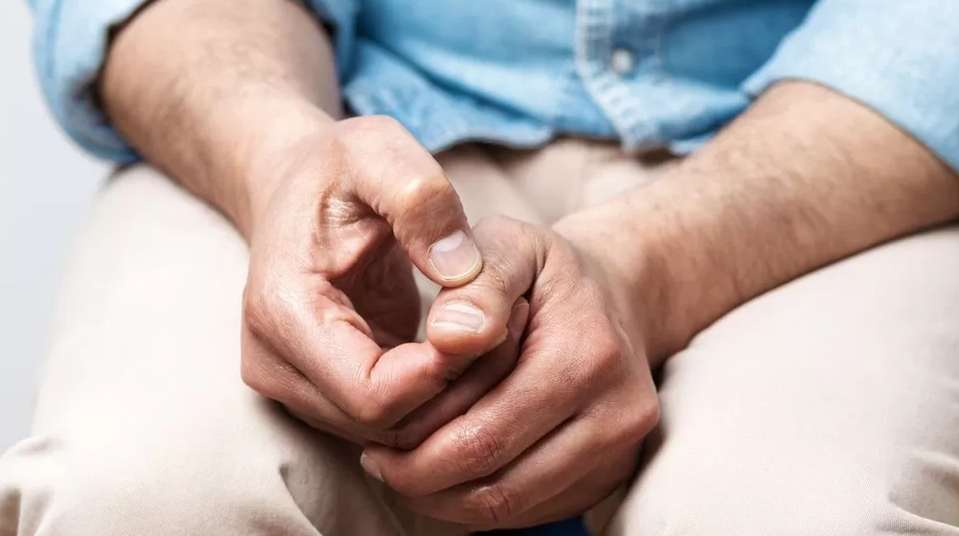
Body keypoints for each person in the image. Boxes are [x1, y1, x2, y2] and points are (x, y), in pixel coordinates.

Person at [2, 0, 959, 534]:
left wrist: (649, 264)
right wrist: (279, 154)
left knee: (796, 514)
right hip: (342, 108)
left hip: (848, 149)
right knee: (142, 491)